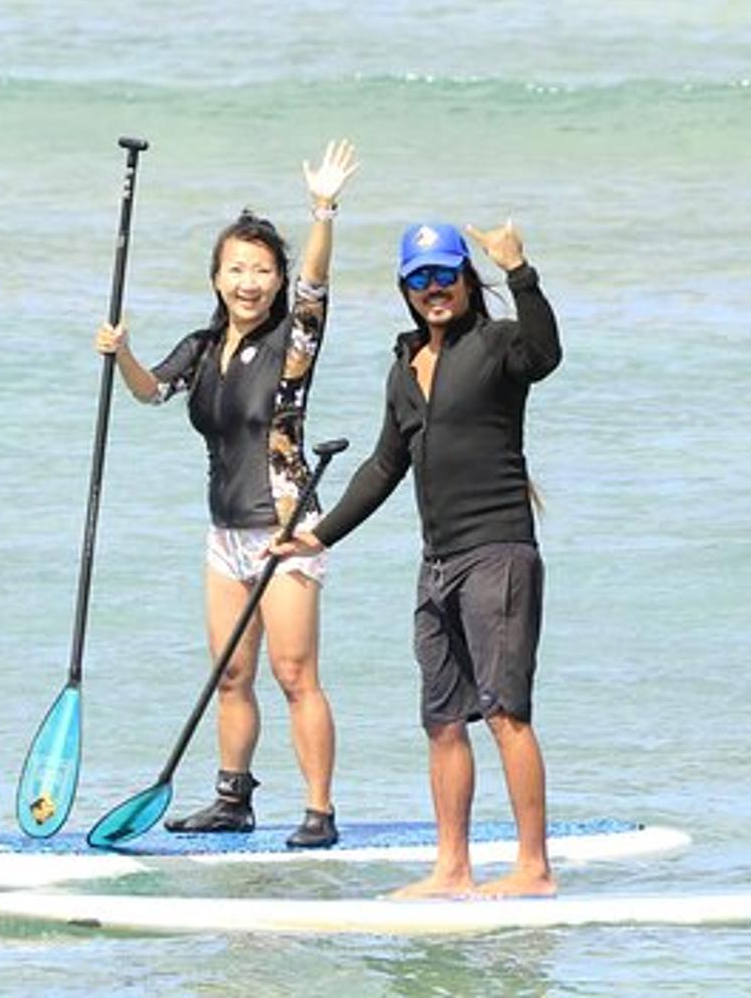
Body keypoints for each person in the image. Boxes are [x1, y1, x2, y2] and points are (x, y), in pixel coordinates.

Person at [277, 218, 561, 897]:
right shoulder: (406, 366)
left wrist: (520, 271)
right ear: (405, 288)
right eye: (419, 278)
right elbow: (383, 465)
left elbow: (546, 353)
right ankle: (452, 868)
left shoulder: (496, 345)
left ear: (466, 278)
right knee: (441, 719)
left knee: (505, 711)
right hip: (437, 564)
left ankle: (533, 867)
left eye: (444, 275)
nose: (433, 289)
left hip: (498, 553)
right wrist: (319, 533)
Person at [96, 140, 357, 849]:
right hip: (224, 533)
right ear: (216, 276)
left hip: (283, 526)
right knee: (231, 672)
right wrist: (118, 350)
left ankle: (319, 811)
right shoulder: (203, 344)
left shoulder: (291, 341)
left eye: (262, 270)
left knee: (294, 671)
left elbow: (315, 288)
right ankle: (232, 799)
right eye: (237, 268)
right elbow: (152, 391)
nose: (250, 282)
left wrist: (322, 212)